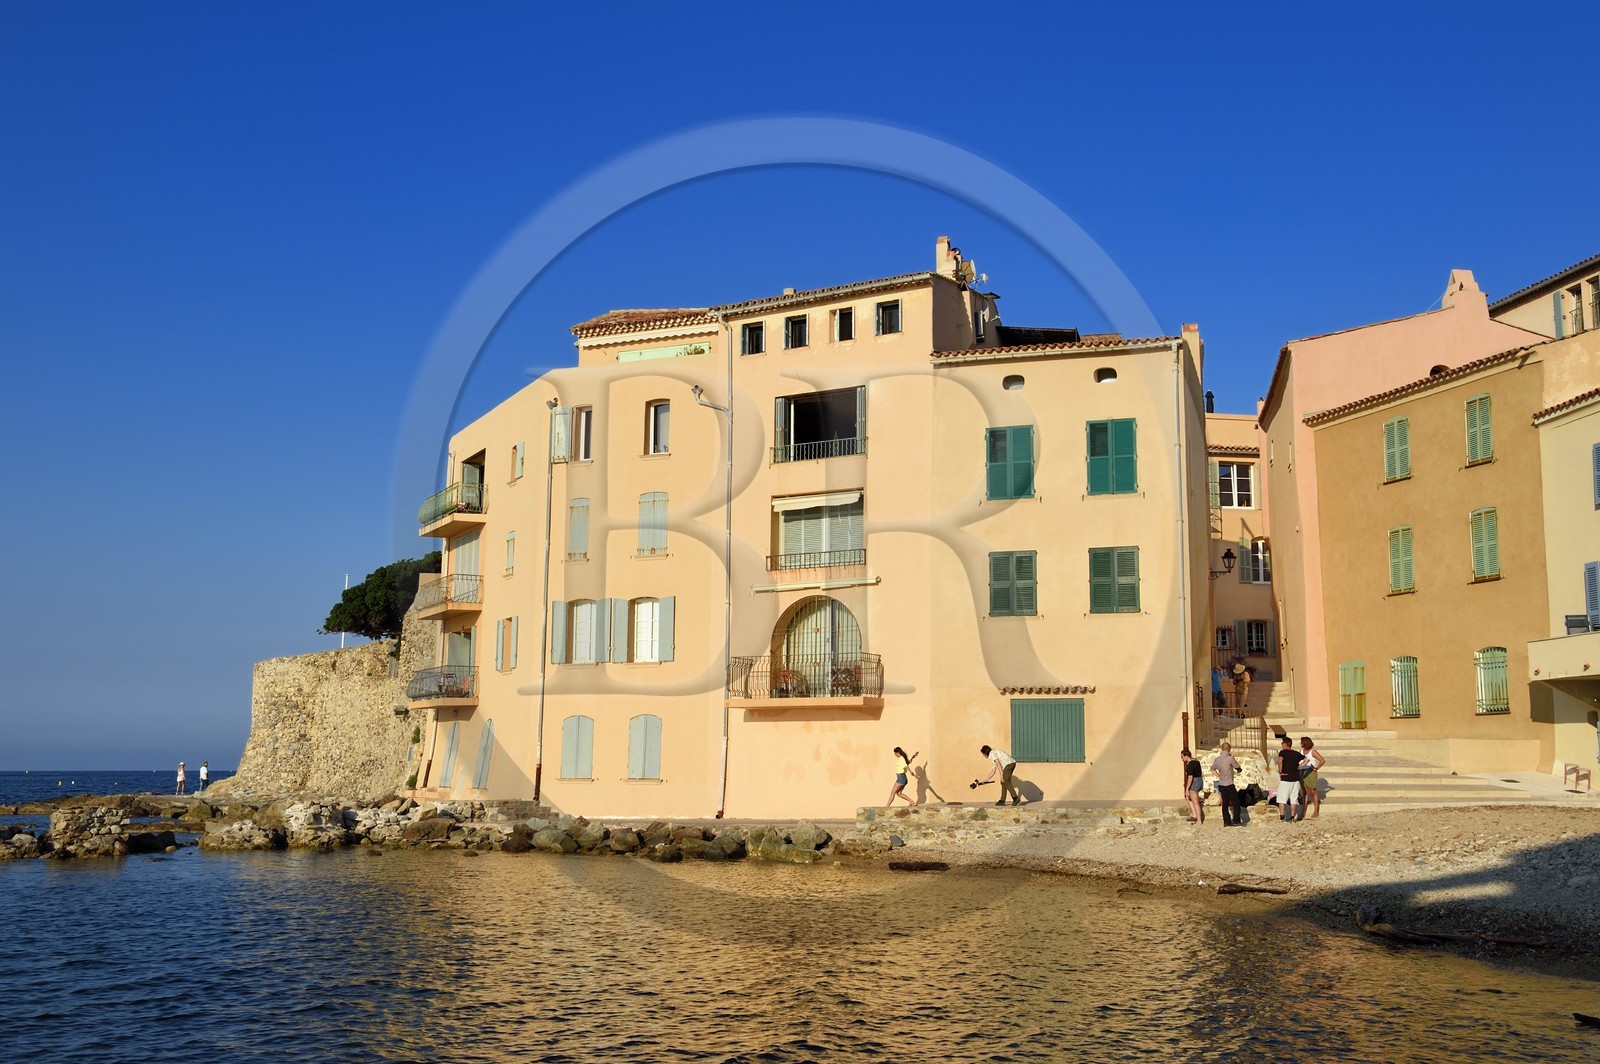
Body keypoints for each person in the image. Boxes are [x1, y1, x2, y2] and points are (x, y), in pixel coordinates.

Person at [1213, 741, 1242, 827]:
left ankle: (1226, 821)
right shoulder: (1230, 758)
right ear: (1229, 749)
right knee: (1236, 802)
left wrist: (1219, 776)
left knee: (1225, 803)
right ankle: (1236, 820)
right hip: (1229, 784)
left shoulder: (1217, 759)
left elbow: (1212, 769)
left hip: (1221, 784)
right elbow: (1238, 767)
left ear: (1221, 749)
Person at [1275, 737, 1303, 822]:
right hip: (1296, 778)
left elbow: (1280, 761)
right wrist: (1299, 767)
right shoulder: (1296, 753)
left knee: (1282, 798)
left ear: (1285, 744)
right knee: (1294, 798)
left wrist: (1280, 771)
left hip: (1286, 778)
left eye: (1282, 743)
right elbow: (1306, 759)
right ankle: (1292, 816)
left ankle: (1282, 816)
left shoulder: (1283, 752)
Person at [1297, 737, 1325, 819]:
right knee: (1305, 792)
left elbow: (1322, 760)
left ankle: (1316, 811)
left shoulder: (1313, 752)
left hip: (1311, 772)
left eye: (1301, 742)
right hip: (1303, 771)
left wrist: (1317, 768)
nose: (1300, 743)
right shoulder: (1301, 751)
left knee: (1313, 791)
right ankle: (1303, 812)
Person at [1181, 748, 1204, 824]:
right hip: (1199, 780)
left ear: (1186, 756)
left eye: (1182, 757)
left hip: (1194, 781)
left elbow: (1190, 777)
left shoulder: (1190, 765)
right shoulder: (1196, 761)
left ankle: (1199, 820)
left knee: (1195, 801)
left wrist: (1187, 789)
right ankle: (1194, 814)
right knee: (1188, 797)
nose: (1182, 759)